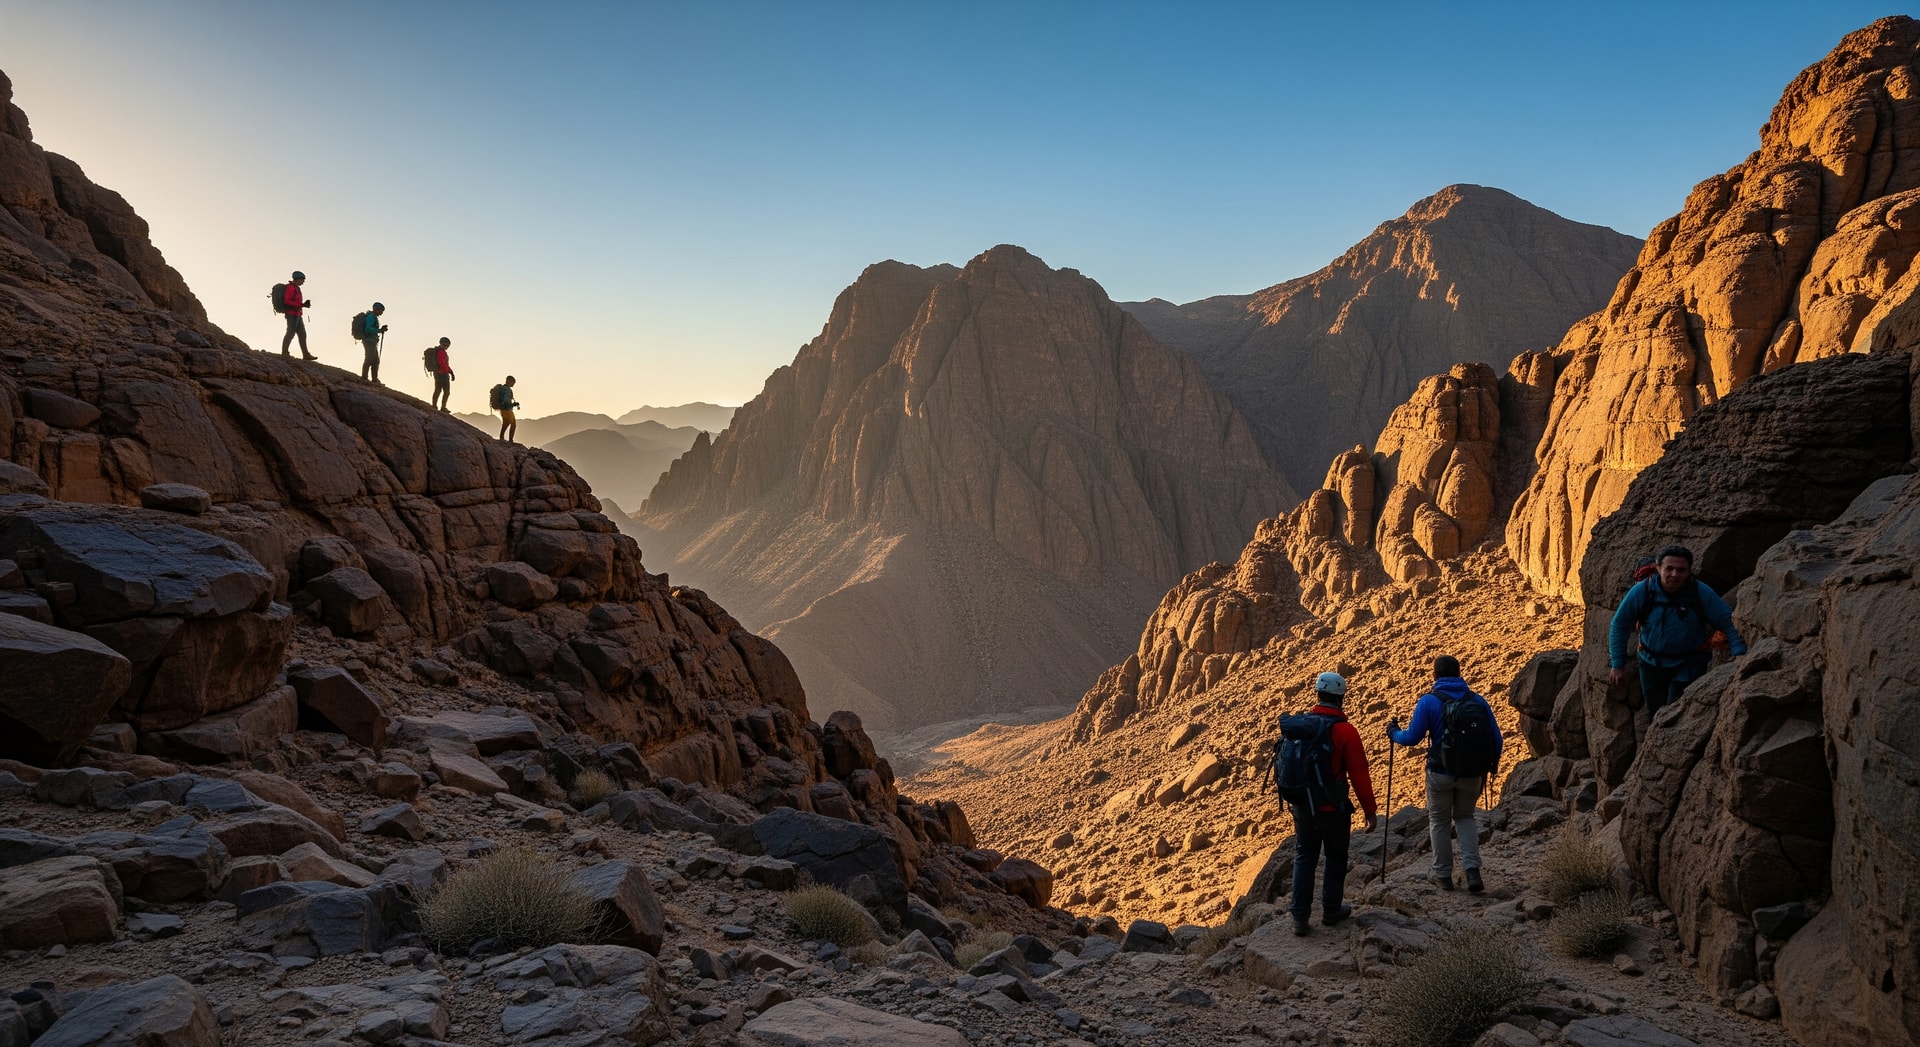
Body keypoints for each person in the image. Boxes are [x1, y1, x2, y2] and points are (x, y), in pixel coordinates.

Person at [1389, 655, 1502, 892]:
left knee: (1439, 821)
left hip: (1440, 772)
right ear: (1459, 674)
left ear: (1435, 676)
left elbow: (1412, 738)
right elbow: (1496, 738)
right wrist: (1490, 767)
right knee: (1465, 817)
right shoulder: (1478, 700)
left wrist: (1393, 733)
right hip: (1472, 773)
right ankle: (1472, 871)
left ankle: (1443, 875)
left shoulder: (1429, 702)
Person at [1283, 671, 1377, 936]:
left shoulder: (1302, 726)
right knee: (1336, 856)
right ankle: (1331, 910)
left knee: (1305, 855)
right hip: (1332, 807)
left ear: (1318, 694)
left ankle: (1300, 918)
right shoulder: (1346, 731)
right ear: (1341, 698)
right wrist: (1370, 811)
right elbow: (1360, 775)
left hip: (1302, 804)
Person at [1608, 544, 1747, 719]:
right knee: (1655, 713)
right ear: (1658, 568)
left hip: (1688, 664)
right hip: (1651, 664)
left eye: (1681, 570)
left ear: (1688, 571)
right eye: (1669, 568)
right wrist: (1617, 665)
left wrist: (1739, 652)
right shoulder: (1642, 591)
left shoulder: (1699, 591)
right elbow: (1619, 626)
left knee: (1680, 715)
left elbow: (1727, 622)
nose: (1675, 574)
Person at [279, 271, 314, 360]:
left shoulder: (297, 288)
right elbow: (287, 301)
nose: (303, 282)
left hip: (297, 314)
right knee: (290, 333)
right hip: (292, 315)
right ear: (298, 279)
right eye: (303, 280)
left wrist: (303, 305)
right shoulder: (291, 288)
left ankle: (306, 354)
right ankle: (285, 353)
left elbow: (295, 302)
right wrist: (302, 305)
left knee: (302, 334)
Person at [357, 303, 387, 384]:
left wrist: (380, 330)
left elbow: (371, 329)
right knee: (369, 359)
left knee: (375, 360)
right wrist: (380, 330)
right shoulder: (370, 317)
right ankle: (364, 377)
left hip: (372, 341)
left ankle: (374, 379)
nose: (382, 313)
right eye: (381, 310)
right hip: (368, 341)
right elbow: (368, 329)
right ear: (376, 309)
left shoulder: (373, 317)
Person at [429, 337, 454, 412]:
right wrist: (448, 372)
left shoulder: (440, 351)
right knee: (444, 391)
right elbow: (442, 363)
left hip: (439, 373)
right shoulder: (441, 352)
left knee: (439, 390)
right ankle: (441, 407)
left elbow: (445, 364)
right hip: (441, 374)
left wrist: (451, 372)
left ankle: (436, 405)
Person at [491, 376, 519, 442]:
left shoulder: (503, 388)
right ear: (508, 381)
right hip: (507, 410)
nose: (513, 384)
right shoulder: (507, 389)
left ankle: (501, 437)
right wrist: (513, 404)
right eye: (513, 382)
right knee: (513, 424)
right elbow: (506, 401)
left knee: (505, 424)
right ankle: (511, 440)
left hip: (502, 409)